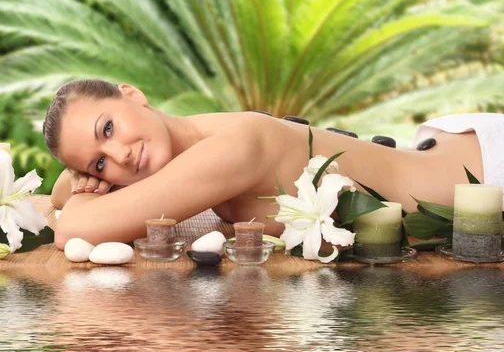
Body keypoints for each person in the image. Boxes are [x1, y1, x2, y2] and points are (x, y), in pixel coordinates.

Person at [44, 80, 489, 250]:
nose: (119, 154)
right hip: (446, 153)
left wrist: (85, 194)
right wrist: (81, 180)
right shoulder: (198, 143)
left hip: (485, 172)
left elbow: (74, 229)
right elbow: (67, 191)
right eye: (99, 165)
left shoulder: (233, 146)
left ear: (134, 94)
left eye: (108, 128)